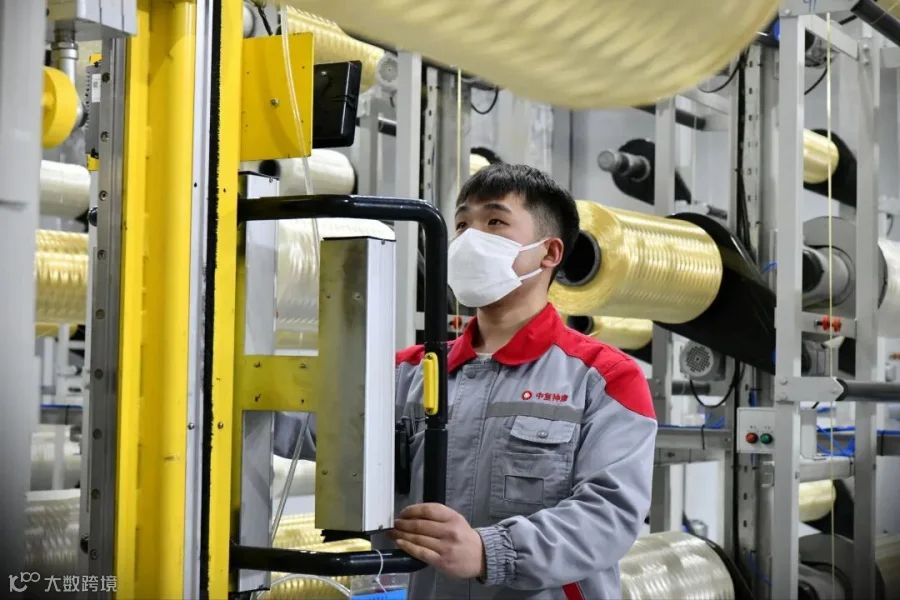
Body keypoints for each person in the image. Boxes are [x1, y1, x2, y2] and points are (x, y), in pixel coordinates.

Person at [274, 163, 657, 599]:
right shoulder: (405, 373)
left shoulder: (603, 378)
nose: (470, 239)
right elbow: (301, 425)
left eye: (494, 222)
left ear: (549, 253)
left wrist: (490, 551)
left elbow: (609, 514)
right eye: (461, 225)